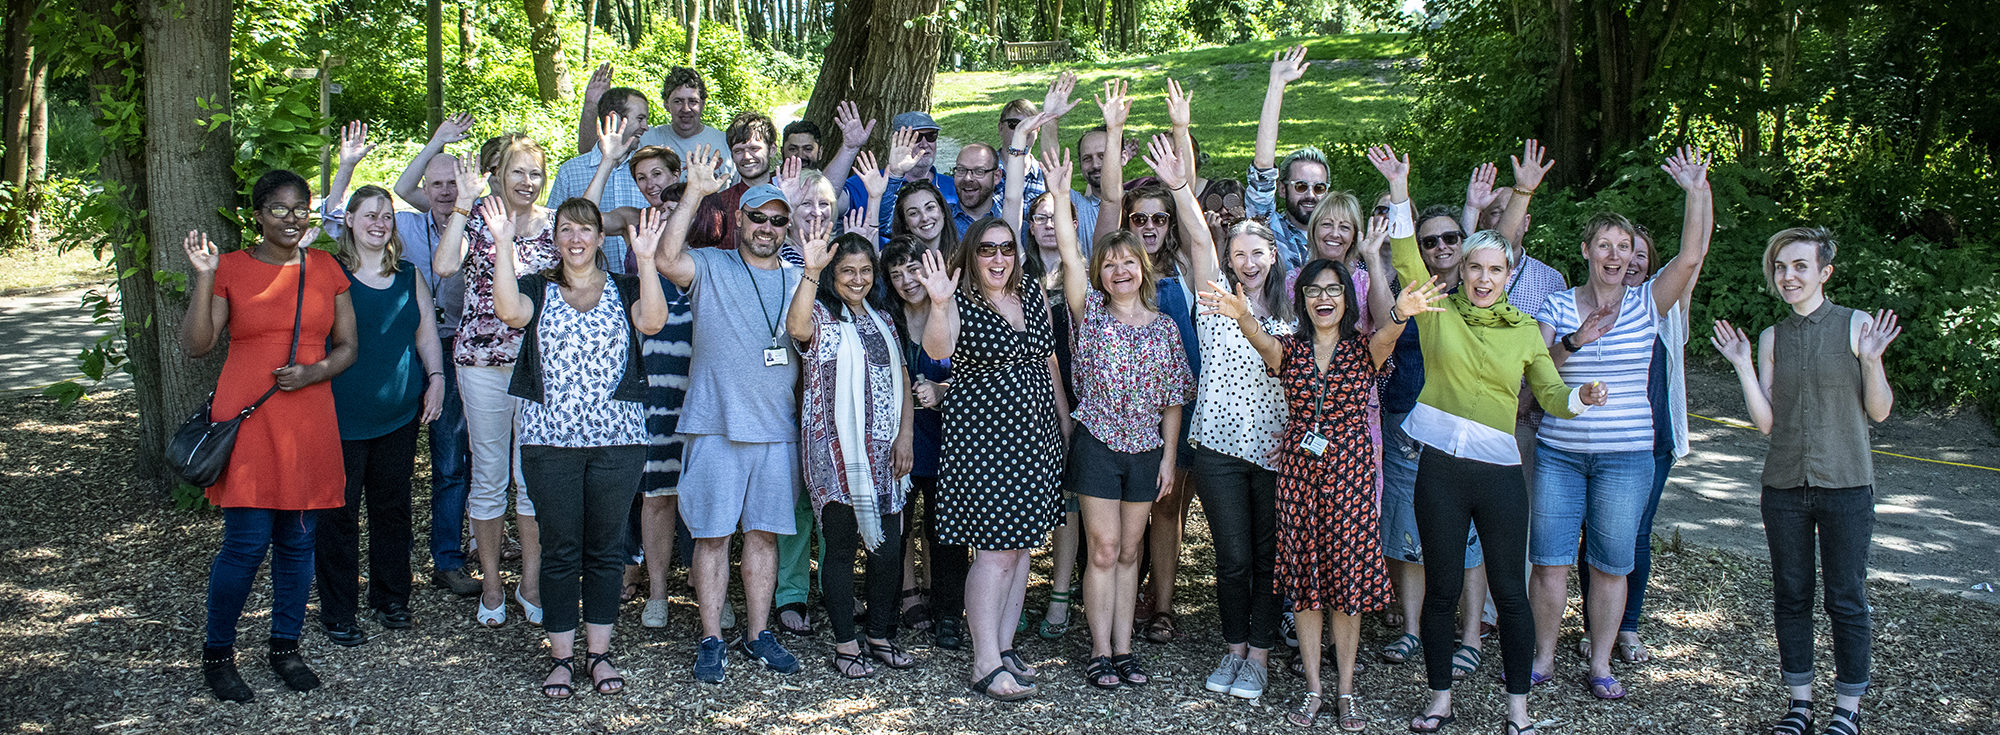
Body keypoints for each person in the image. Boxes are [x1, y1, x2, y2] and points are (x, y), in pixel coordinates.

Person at [1368, 145, 1608, 735]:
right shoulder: (1436, 312)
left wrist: (1583, 398)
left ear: (1507, 277)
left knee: (1510, 588)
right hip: (1442, 470)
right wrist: (1400, 190)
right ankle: (1439, 698)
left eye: (1494, 270)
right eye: (1473, 267)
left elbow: (1551, 397)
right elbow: (1405, 254)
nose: (1481, 278)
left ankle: (1518, 710)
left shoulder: (1526, 331)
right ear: (1464, 272)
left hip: (1498, 474)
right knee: (1443, 588)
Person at [1204, 249, 1446, 730]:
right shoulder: (1289, 349)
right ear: (1301, 299)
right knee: (1305, 587)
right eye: (1313, 290)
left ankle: (1346, 691)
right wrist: (1244, 316)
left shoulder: (1364, 349)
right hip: (1298, 480)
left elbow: (1391, 330)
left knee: (1345, 590)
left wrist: (1402, 311)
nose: (1323, 298)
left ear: (1346, 299)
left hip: (1351, 480)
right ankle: (1314, 689)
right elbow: (1260, 342)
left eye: (1333, 289)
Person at [1528, 148, 1714, 701]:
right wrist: (1577, 339)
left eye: (1624, 248)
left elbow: (1691, 254)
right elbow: (1535, 377)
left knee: (1611, 564)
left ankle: (1601, 662)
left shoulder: (1646, 304)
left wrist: (1696, 192)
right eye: (1603, 245)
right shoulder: (1558, 305)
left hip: (1626, 458)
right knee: (1550, 561)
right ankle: (1542, 657)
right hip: (1559, 451)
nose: (1613, 256)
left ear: (1634, 257)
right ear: (1586, 251)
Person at [1712, 227, 1899, 735]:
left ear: (1824, 272)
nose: (1788, 276)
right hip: (1785, 488)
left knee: (1846, 597)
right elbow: (1766, 422)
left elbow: (1879, 412)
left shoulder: (1856, 326)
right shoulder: (1773, 336)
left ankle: (1847, 710)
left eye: (1799, 266)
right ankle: (1800, 705)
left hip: (1846, 485)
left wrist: (1874, 358)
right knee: (1792, 595)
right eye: (1780, 267)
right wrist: (1743, 366)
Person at [184, 170, 358, 702]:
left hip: (308, 418)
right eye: (279, 209)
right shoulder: (232, 268)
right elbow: (197, 345)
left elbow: (348, 346)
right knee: (245, 543)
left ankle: (285, 645)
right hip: (250, 422)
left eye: (300, 207)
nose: (291, 217)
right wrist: (205, 278)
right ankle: (219, 654)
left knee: (299, 541)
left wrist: (315, 371)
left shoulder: (326, 268)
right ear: (257, 215)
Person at [487, 194, 668, 698]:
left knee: (605, 551)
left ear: (600, 238)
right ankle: (562, 658)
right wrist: (503, 243)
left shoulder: (626, 286)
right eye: (566, 229)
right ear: (556, 237)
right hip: (549, 443)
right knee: (561, 550)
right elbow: (509, 313)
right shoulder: (537, 289)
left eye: (585, 229)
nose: (575, 238)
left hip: (619, 442)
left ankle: (600, 654)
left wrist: (649, 259)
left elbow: (652, 322)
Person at [652, 147, 807, 683]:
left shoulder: (796, 278)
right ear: (739, 218)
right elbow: (666, 260)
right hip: (716, 423)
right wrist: (694, 191)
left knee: (763, 536)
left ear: (787, 227)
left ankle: (759, 635)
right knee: (713, 536)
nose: (767, 227)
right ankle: (712, 637)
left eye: (777, 221)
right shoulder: (713, 264)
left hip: (776, 430)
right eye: (758, 217)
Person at [1048, 149, 1194, 691]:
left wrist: (1170, 460)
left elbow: (1175, 399)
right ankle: (1100, 649)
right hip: (1099, 445)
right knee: (1104, 549)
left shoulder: (1164, 328)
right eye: (1109, 264)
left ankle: (1126, 648)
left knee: (1132, 551)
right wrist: (1062, 198)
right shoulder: (1089, 317)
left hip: (1147, 451)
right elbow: (1068, 251)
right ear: (1101, 275)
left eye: (1128, 261)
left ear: (1143, 268)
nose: (1119, 269)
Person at [915, 216, 1069, 702]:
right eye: (986, 250)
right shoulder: (958, 299)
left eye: (1006, 249)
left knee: (1021, 548)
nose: (998, 258)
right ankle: (983, 662)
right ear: (971, 254)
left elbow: (1048, 362)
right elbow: (938, 350)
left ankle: (1003, 648)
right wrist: (939, 302)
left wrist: (1062, 424)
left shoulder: (1031, 295)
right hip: (985, 441)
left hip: (1035, 434)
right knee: (996, 552)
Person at [331, 115, 480, 598]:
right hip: (405, 350)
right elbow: (386, 191)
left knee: (451, 458)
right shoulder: (407, 227)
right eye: (434, 183)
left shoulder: (475, 224)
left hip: (457, 348)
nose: (441, 191)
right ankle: (359, 580)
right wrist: (437, 139)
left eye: (451, 182)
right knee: (386, 468)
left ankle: (447, 557)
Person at [433, 135, 556, 627]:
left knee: (531, 478)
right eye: (518, 172)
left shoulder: (553, 225)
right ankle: (489, 581)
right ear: (499, 174)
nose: (527, 182)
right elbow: (443, 265)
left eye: (535, 173)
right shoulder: (479, 217)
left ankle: (530, 580)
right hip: (481, 360)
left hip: (538, 363)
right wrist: (463, 206)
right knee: (488, 475)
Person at [316, 183, 447, 647]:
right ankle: (338, 609)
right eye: (368, 214)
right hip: (341, 415)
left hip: (399, 413)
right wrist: (345, 168)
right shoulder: (328, 272)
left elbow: (426, 333)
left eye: (386, 216)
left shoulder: (409, 274)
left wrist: (436, 378)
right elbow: (311, 227)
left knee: (392, 510)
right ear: (348, 220)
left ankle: (391, 597)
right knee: (340, 514)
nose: (379, 223)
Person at [786, 230, 920, 678]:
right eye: (847, 271)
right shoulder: (822, 314)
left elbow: (902, 379)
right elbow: (796, 329)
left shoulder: (883, 317)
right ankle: (846, 644)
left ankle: (880, 634)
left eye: (865, 270)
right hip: (835, 454)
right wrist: (811, 271)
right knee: (840, 550)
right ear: (832, 275)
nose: (858, 279)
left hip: (886, 456)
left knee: (887, 552)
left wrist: (906, 436)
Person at [1097, 81, 1202, 644]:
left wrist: (1180, 133)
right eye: (1141, 221)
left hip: (1175, 408)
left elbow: (1191, 215)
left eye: (1160, 219)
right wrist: (1114, 135)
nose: (1151, 228)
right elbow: (1109, 203)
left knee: (1167, 508)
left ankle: (1161, 605)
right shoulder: (1116, 270)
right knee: (1116, 519)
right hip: (1116, 416)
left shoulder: (1185, 266)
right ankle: (1120, 603)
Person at [880, 237, 971, 649]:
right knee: (893, 531)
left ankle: (950, 614)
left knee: (947, 533)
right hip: (898, 442)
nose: (905, 280)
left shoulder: (956, 313)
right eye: (895, 274)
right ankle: (891, 608)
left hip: (949, 443)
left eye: (911, 269)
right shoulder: (885, 319)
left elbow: (979, 377)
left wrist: (943, 388)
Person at [552, 74, 651, 272]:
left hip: (642, 287)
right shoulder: (570, 172)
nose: (646, 127)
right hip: (589, 290)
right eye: (640, 118)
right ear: (615, 119)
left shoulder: (650, 173)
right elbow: (551, 233)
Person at [1249, 45, 1333, 266]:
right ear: (1283, 189)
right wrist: (1277, 85)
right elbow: (1262, 168)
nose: (1311, 195)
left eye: (1319, 188)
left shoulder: (1340, 237)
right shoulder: (1270, 231)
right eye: (1301, 186)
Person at [684, 111, 780, 250]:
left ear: (772, 149)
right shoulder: (720, 204)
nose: (747, 156)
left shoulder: (789, 195)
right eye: (739, 151)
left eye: (754, 148)